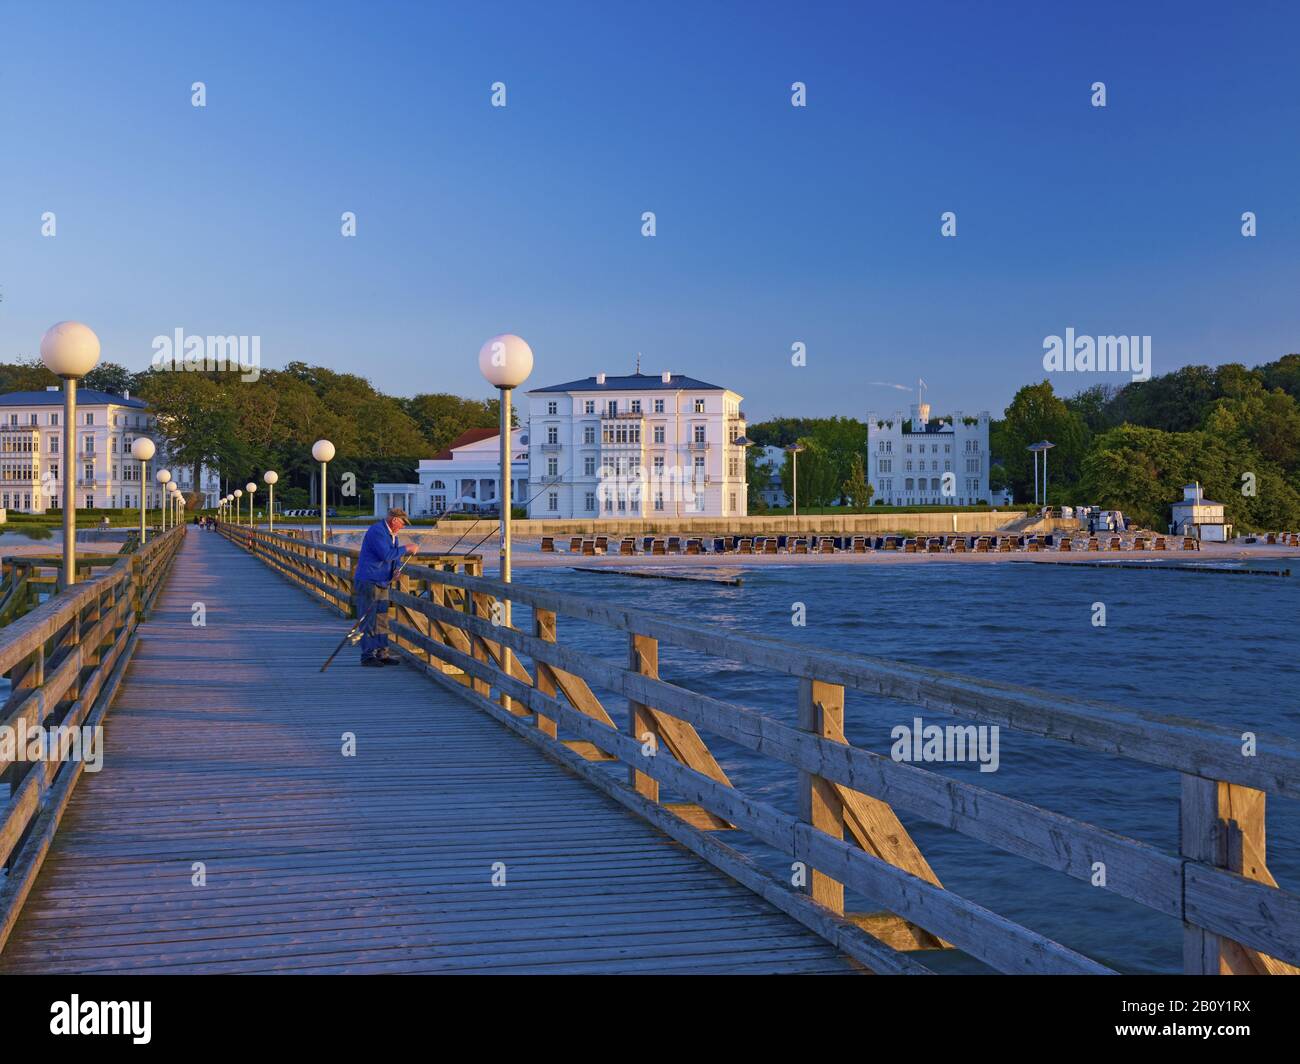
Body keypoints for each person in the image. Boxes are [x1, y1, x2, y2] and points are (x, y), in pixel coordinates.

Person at [354, 507, 418, 668]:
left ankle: (382, 653)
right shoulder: (377, 531)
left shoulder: (391, 534)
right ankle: (367, 655)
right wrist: (407, 548)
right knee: (368, 619)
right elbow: (386, 555)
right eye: (403, 523)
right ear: (395, 520)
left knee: (382, 618)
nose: (403, 526)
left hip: (382, 581)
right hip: (369, 580)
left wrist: (396, 569)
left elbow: (392, 557)